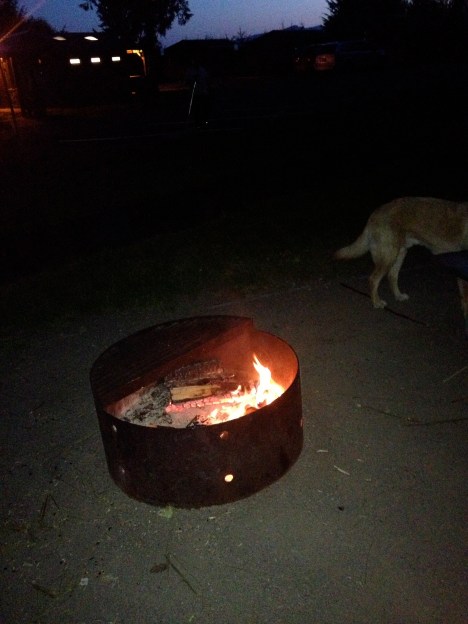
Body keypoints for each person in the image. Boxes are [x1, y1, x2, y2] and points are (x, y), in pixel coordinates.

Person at [185, 57, 211, 125]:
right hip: (195, 93)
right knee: (196, 108)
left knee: (203, 107)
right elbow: (187, 81)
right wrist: (192, 80)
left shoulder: (202, 70)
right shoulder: (190, 71)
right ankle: (197, 121)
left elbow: (207, 79)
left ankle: (204, 120)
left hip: (203, 92)